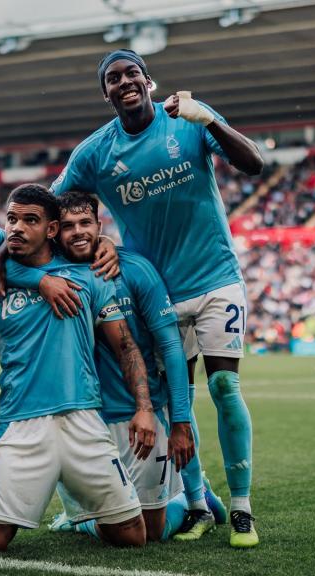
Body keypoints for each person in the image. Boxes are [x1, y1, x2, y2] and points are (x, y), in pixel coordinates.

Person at [50, 49, 265, 547]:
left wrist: (208, 118)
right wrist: (99, 239)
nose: (124, 82)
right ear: (105, 93)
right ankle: (195, 505)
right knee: (172, 403)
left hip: (214, 279)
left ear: (149, 81)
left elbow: (253, 164)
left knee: (224, 389)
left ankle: (240, 508)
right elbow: (58, 207)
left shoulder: (186, 120)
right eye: (113, 78)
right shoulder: (94, 152)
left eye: (131, 74)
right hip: (156, 291)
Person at [0, 184, 156, 551]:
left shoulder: (87, 277)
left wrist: (144, 408)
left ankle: (79, 517)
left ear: (51, 229)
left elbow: (125, 347)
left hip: (84, 421)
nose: (17, 227)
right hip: (20, 424)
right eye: (12, 219)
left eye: (30, 220)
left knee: (133, 537)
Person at [43, 191, 227, 542]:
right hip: (83, 417)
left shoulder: (135, 269)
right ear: (55, 231)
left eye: (85, 223)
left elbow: (172, 347)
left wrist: (181, 421)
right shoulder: (46, 271)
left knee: (150, 532)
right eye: (68, 226)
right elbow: (4, 253)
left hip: (137, 414)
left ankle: (197, 496)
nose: (78, 232)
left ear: (100, 225)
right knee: (115, 524)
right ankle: (80, 516)